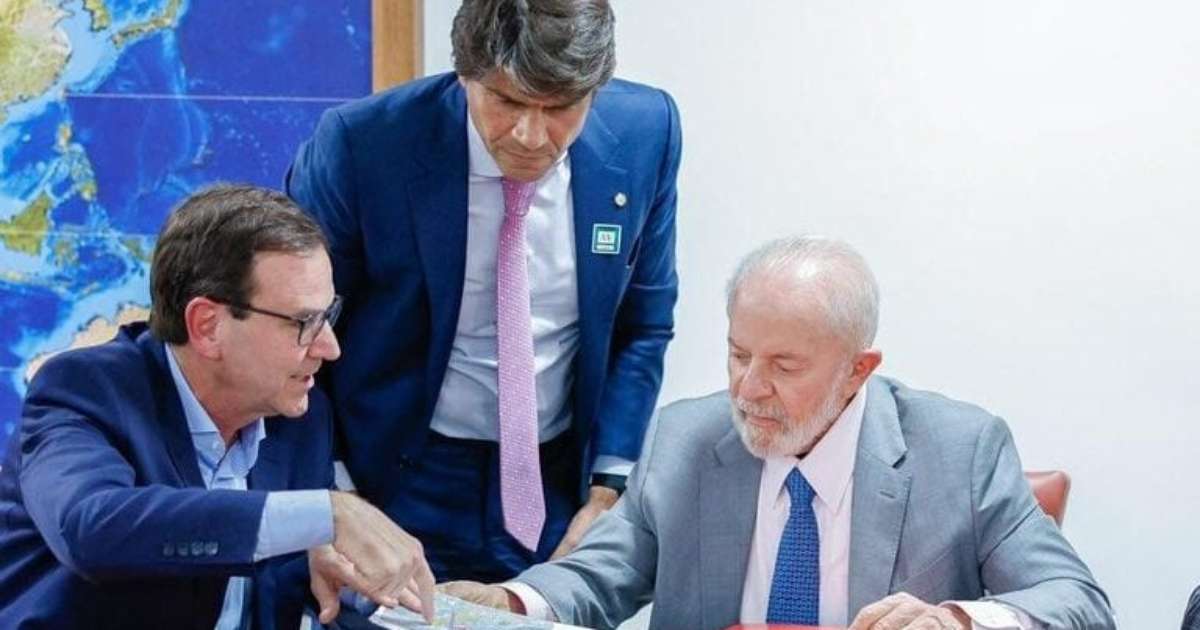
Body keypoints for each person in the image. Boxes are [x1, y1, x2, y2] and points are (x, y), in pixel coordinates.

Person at [445, 236, 1116, 630]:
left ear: (858, 370)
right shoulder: (685, 438)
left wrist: (959, 620)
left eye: (785, 366)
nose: (748, 389)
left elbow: (1078, 602)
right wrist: (506, 602)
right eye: (739, 354)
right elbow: (598, 577)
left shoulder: (959, 450)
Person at [285, 0, 681, 582]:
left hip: (558, 481)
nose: (530, 136)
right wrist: (333, 496)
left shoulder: (647, 132)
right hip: (394, 474)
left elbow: (643, 325)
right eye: (508, 102)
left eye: (559, 108)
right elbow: (297, 333)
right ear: (464, 76)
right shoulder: (364, 145)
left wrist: (609, 488)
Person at [0, 185, 434, 629]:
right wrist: (328, 514)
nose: (330, 347)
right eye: (304, 322)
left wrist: (404, 605)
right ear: (207, 326)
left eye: (328, 316)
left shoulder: (297, 417)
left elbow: (290, 578)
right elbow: (90, 528)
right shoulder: (86, 391)